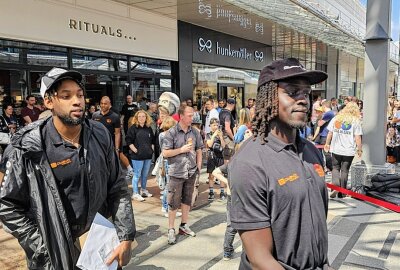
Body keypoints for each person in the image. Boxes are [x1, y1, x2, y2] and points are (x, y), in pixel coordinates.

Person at [0, 67, 135, 269]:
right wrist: (43, 248)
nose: (77, 101)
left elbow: (117, 187)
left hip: (99, 250)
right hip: (53, 257)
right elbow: (8, 206)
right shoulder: (27, 147)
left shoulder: (99, 134)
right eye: (66, 95)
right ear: (49, 102)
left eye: (80, 95)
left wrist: (125, 235)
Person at [229, 58, 331, 269]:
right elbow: (260, 260)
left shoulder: (311, 151)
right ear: (269, 99)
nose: (303, 99)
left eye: (306, 93)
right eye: (293, 92)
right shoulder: (249, 162)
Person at [162, 105, 204, 245]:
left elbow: (199, 149)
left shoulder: (195, 132)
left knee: (187, 200)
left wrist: (198, 166)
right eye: (190, 115)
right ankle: (171, 229)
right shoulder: (171, 133)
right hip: (176, 172)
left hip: (191, 171)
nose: (193, 118)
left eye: (193, 115)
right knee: (173, 202)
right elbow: (165, 153)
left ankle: (184, 225)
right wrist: (181, 149)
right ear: (181, 116)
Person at [324, 102, 363, 198]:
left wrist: (327, 144)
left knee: (335, 168)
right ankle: (342, 192)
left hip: (336, 149)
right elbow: (358, 137)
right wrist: (359, 149)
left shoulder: (337, 118)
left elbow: (330, 133)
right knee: (345, 170)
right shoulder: (355, 121)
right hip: (349, 150)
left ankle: (335, 186)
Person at [126, 110, 155, 201]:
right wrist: (135, 150)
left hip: (147, 155)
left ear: (146, 118)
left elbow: (152, 140)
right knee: (137, 174)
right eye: (140, 116)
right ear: (136, 118)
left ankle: (143, 190)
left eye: (143, 116)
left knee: (145, 175)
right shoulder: (133, 128)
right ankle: (135, 193)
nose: (141, 118)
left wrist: (151, 149)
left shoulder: (148, 128)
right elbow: (129, 140)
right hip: (137, 156)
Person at [206, 118, 226, 201]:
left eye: (217, 125)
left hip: (220, 156)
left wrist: (221, 137)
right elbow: (209, 145)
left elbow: (224, 146)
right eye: (214, 125)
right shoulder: (208, 135)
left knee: (221, 174)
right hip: (211, 156)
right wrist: (214, 135)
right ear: (210, 126)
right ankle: (211, 192)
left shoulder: (221, 134)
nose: (215, 127)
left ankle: (222, 192)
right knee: (211, 175)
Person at [219, 98, 236, 163]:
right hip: (228, 138)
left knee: (226, 157)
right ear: (232, 104)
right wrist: (233, 138)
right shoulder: (228, 114)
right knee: (229, 158)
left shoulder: (221, 111)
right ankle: (228, 172)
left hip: (223, 136)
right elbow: (227, 128)